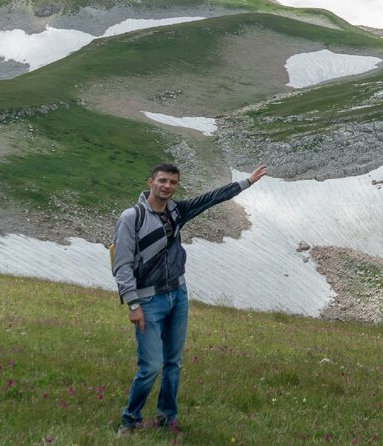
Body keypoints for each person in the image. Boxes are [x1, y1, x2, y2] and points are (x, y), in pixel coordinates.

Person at [112, 162, 267, 436]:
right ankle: (130, 420)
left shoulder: (176, 211)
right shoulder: (132, 217)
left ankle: (166, 421)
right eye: (162, 181)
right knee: (150, 366)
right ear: (150, 182)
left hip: (178, 295)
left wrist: (246, 182)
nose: (167, 186)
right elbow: (122, 264)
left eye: (172, 182)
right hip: (149, 301)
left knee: (173, 364)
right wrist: (133, 304)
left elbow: (209, 200)